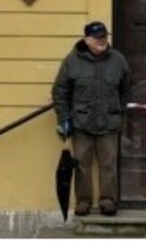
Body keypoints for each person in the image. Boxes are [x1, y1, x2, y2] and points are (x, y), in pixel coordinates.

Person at [51, 21, 132, 216]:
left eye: (104, 37)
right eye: (98, 38)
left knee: (108, 164)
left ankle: (107, 201)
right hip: (81, 124)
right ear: (87, 40)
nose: (102, 41)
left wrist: (119, 110)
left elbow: (126, 89)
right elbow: (60, 92)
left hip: (109, 123)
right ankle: (83, 201)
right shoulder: (71, 61)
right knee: (82, 165)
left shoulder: (118, 60)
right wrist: (64, 119)